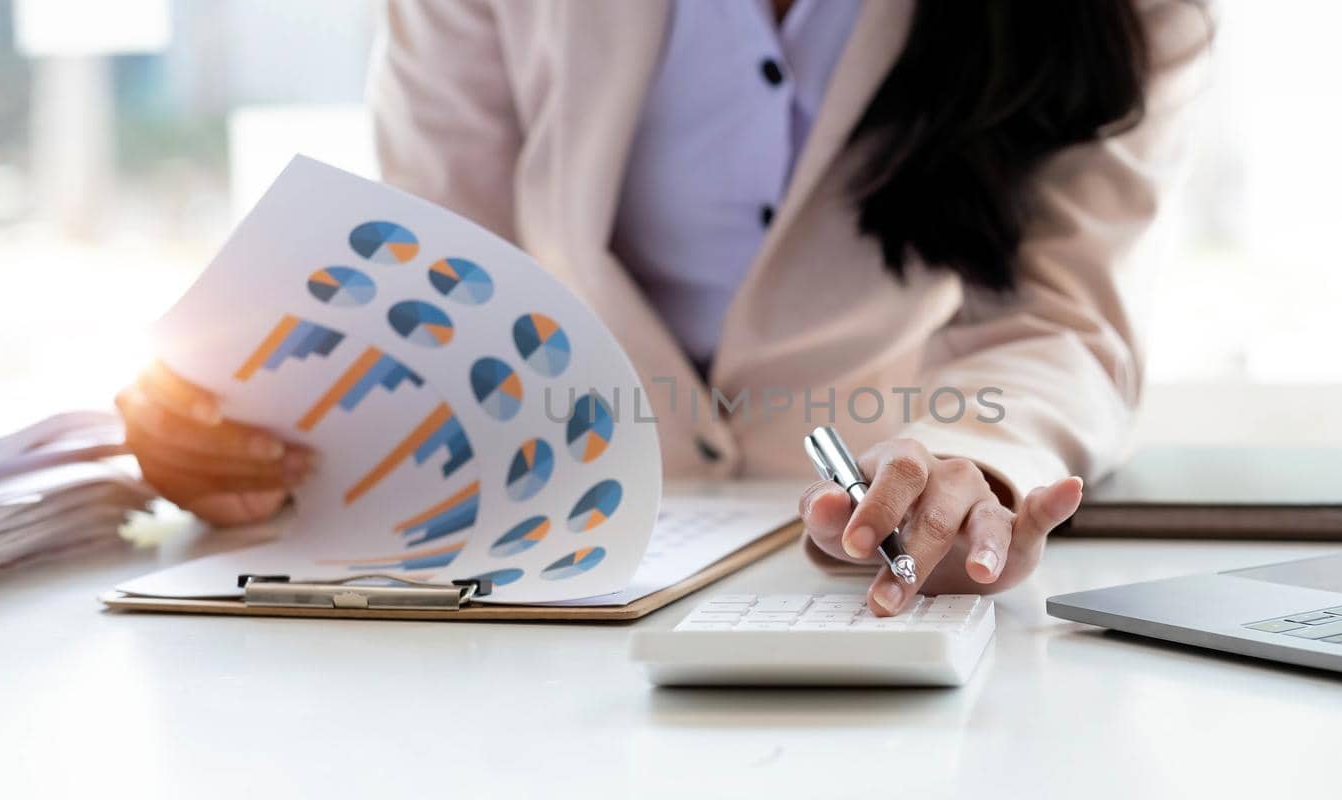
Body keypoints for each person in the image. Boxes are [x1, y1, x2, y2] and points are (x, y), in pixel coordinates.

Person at [116, 0, 1211, 616]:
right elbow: (429, 282)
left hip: (860, 568)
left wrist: (972, 465)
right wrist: (244, 433)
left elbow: (1063, 319)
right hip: (549, 563)